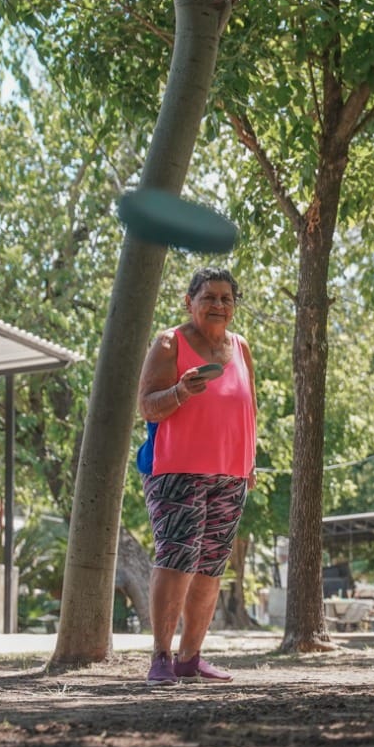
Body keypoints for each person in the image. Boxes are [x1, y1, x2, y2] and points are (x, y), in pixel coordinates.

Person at [136, 267, 258, 685]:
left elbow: (249, 408)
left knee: (210, 565)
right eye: (209, 297)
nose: (219, 305)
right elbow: (147, 406)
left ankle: (191, 658)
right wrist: (179, 393)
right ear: (189, 302)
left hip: (230, 474)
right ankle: (161, 657)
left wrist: (249, 461)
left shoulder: (240, 347)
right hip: (176, 471)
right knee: (177, 558)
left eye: (227, 298)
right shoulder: (170, 342)